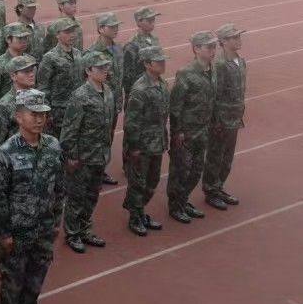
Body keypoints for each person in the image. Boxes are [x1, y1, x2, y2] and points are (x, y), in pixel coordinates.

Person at [0, 89, 65, 304]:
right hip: (17, 230)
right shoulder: (5, 153)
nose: (40, 119)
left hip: (43, 228)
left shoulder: (53, 146)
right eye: (34, 114)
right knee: (12, 280)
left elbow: (59, 187)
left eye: (43, 114)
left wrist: (56, 221)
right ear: (18, 116)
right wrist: (4, 233)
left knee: (36, 277)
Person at [60, 51, 116, 252]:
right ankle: (72, 233)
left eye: (106, 67)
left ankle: (85, 229)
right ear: (88, 71)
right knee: (76, 197)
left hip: (100, 155)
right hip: (82, 157)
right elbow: (69, 130)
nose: (104, 70)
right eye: (100, 68)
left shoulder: (107, 91)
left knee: (92, 196)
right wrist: (71, 156)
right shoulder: (80, 96)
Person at [167, 32, 219, 224]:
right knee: (181, 171)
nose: (213, 50)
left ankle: (183, 200)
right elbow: (176, 106)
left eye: (214, 47)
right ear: (196, 49)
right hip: (187, 133)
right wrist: (177, 132)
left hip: (202, 131)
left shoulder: (212, 69)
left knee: (196, 171)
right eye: (208, 47)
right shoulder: (186, 73)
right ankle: (175, 205)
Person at [123, 46, 170, 236]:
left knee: (152, 181)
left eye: (163, 60)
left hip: (157, 143)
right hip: (142, 146)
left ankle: (140, 211)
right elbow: (131, 122)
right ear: (147, 64)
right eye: (158, 61)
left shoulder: (162, 84)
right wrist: (134, 148)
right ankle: (135, 217)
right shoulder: (140, 89)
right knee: (138, 183)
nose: (162, 64)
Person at [204, 23, 248, 210]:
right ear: (223, 41)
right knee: (216, 156)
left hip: (234, 118)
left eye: (239, 36)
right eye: (234, 37)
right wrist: (217, 121)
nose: (239, 40)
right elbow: (214, 95)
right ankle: (210, 191)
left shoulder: (240, 60)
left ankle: (218, 186)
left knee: (227, 157)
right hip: (222, 120)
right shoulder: (220, 64)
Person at [90, 12, 126, 184]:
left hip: (114, 102)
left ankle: (101, 169)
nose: (115, 29)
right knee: (97, 137)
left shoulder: (118, 49)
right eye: (111, 27)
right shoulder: (93, 52)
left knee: (109, 136)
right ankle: (93, 171)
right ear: (101, 29)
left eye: (116, 26)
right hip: (99, 104)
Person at [35, 18, 82, 136]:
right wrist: (47, 113)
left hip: (78, 109)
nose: (71, 35)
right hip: (58, 113)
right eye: (67, 32)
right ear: (57, 35)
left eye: (73, 31)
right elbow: (42, 87)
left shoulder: (78, 54)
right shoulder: (49, 58)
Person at [0, 55, 39, 157]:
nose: (32, 74)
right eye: (26, 72)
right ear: (13, 76)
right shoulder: (4, 105)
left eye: (32, 70)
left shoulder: (38, 98)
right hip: (15, 159)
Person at [120, 6, 162, 96]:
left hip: (154, 88)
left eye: (153, 20)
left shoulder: (154, 39)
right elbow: (127, 77)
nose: (152, 23)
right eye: (149, 20)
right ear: (139, 22)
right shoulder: (131, 45)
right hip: (140, 92)